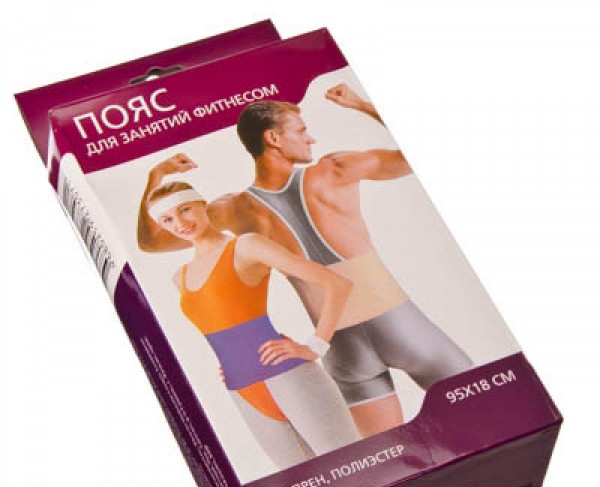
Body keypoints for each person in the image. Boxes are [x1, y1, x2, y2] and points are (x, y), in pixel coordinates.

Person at [138, 84, 473, 438]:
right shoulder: (336, 169)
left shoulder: (234, 209)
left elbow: (151, 241)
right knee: (487, 415)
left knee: (390, 454)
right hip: (401, 327)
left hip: (340, 346)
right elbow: (411, 158)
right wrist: (361, 104)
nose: (311, 139)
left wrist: (154, 177)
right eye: (301, 130)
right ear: (274, 138)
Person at [140, 177, 360, 470]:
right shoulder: (179, 277)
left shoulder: (246, 246)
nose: (180, 223)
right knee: (303, 484)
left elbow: (337, 284)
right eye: (167, 219)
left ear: (203, 205)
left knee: (353, 468)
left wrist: (315, 346)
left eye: (185, 209)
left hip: (287, 374)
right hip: (241, 389)